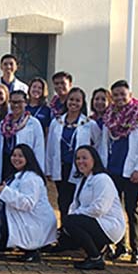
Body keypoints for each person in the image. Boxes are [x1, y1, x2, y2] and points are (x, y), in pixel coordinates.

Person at [98, 80, 138, 264]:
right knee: (114, 210)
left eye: (123, 94)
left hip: (131, 172)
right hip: (112, 170)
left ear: (130, 95)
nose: (120, 98)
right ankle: (120, 245)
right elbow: (103, 144)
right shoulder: (109, 117)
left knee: (132, 209)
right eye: (116, 95)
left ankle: (136, 247)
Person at [62, 146, 126, 270]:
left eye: (84, 158)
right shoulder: (83, 180)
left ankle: (95, 258)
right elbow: (75, 204)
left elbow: (99, 208)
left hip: (109, 225)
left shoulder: (102, 179)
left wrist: (74, 216)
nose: (80, 161)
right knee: (65, 235)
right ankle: (99, 249)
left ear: (94, 160)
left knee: (70, 222)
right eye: (78, 158)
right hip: (94, 221)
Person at [0, 144, 57, 262]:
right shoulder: (16, 175)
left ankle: (33, 250)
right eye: (14, 155)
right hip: (25, 218)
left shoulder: (31, 178)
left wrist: (5, 192)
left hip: (35, 221)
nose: (16, 159)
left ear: (28, 158)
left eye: (20, 156)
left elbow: (28, 203)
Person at [45, 87, 97, 223]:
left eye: (78, 100)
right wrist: (49, 169)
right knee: (63, 201)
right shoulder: (56, 123)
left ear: (83, 103)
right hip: (61, 168)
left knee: (78, 200)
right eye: (71, 99)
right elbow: (50, 147)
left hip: (80, 168)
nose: (74, 103)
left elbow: (97, 145)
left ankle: (76, 230)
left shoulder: (89, 124)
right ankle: (64, 229)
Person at [0, 90, 45, 183]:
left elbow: (39, 149)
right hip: (6, 164)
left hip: (25, 164)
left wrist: (38, 172)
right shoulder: (3, 123)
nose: (16, 105)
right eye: (13, 102)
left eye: (19, 102)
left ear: (26, 103)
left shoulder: (33, 124)